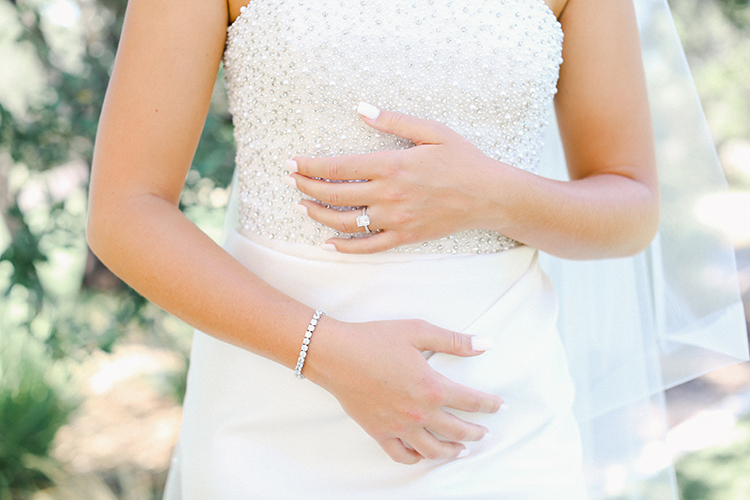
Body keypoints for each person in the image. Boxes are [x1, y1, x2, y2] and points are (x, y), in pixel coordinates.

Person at [86, 0, 747, 498]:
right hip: (270, 405)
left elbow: (630, 209)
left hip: (492, 418)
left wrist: (490, 197)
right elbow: (125, 211)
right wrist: (324, 352)